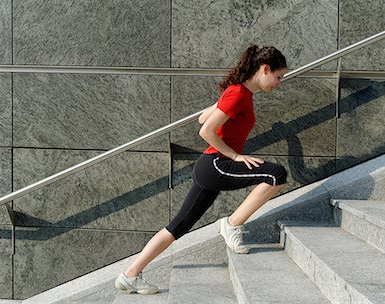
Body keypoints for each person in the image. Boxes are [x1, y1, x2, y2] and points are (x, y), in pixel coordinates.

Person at [115, 45, 288, 295]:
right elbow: (205, 131)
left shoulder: (238, 93)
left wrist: (222, 111)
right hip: (216, 164)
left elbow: (203, 118)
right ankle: (232, 224)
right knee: (276, 175)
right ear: (264, 69)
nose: (279, 83)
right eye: (278, 76)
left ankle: (130, 275)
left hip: (210, 167)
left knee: (177, 227)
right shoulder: (238, 94)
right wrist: (235, 155)